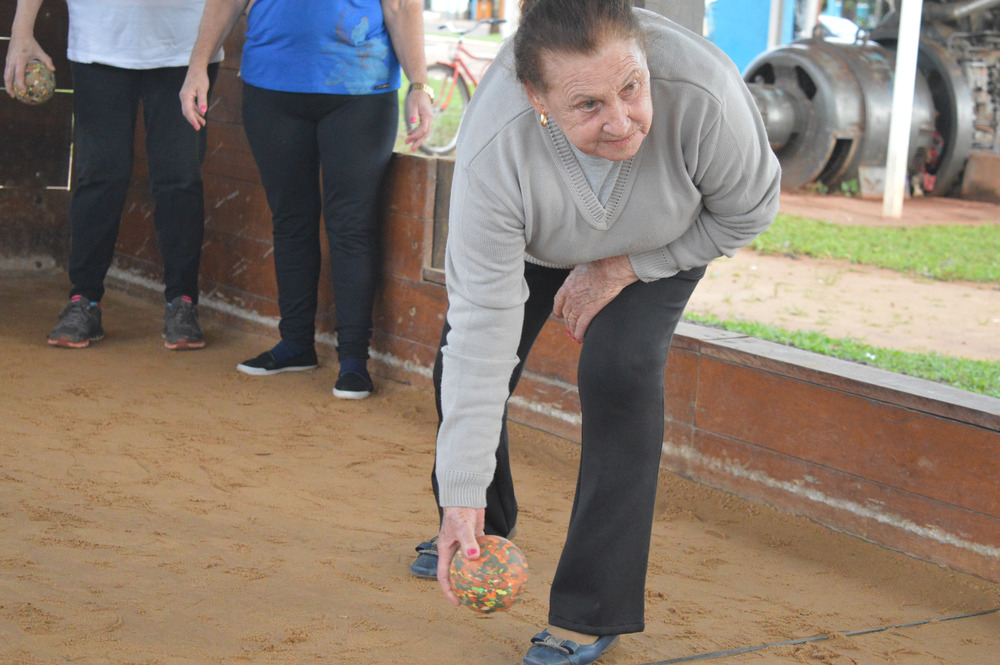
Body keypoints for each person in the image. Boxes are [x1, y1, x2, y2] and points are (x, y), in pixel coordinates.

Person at [409, 1, 781, 663]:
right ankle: (475, 529)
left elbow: (748, 211)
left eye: (632, 87)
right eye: (588, 105)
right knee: (458, 365)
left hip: (661, 239)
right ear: (537, 98)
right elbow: (481, 328)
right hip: (538, 240)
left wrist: (626, 267)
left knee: (620, 367)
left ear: (645, 57)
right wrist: (460, 490)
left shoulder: (704, 94)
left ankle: (591, 607)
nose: (621, 121)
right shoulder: (497, 145)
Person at [180, 0, 433, 400]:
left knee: (351, 226)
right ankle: (296, 343)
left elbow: (401, 6)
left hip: (360, 89)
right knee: (290, 220)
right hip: (271, 86)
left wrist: (419, 84)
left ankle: (354, 361)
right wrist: (197, 67)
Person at [4, 0, 222, 351]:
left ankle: (183, 303)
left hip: (187, 47)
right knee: (99, 175)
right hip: (99, 41)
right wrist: (21, 31)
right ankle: (84, 301)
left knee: (180, 176)